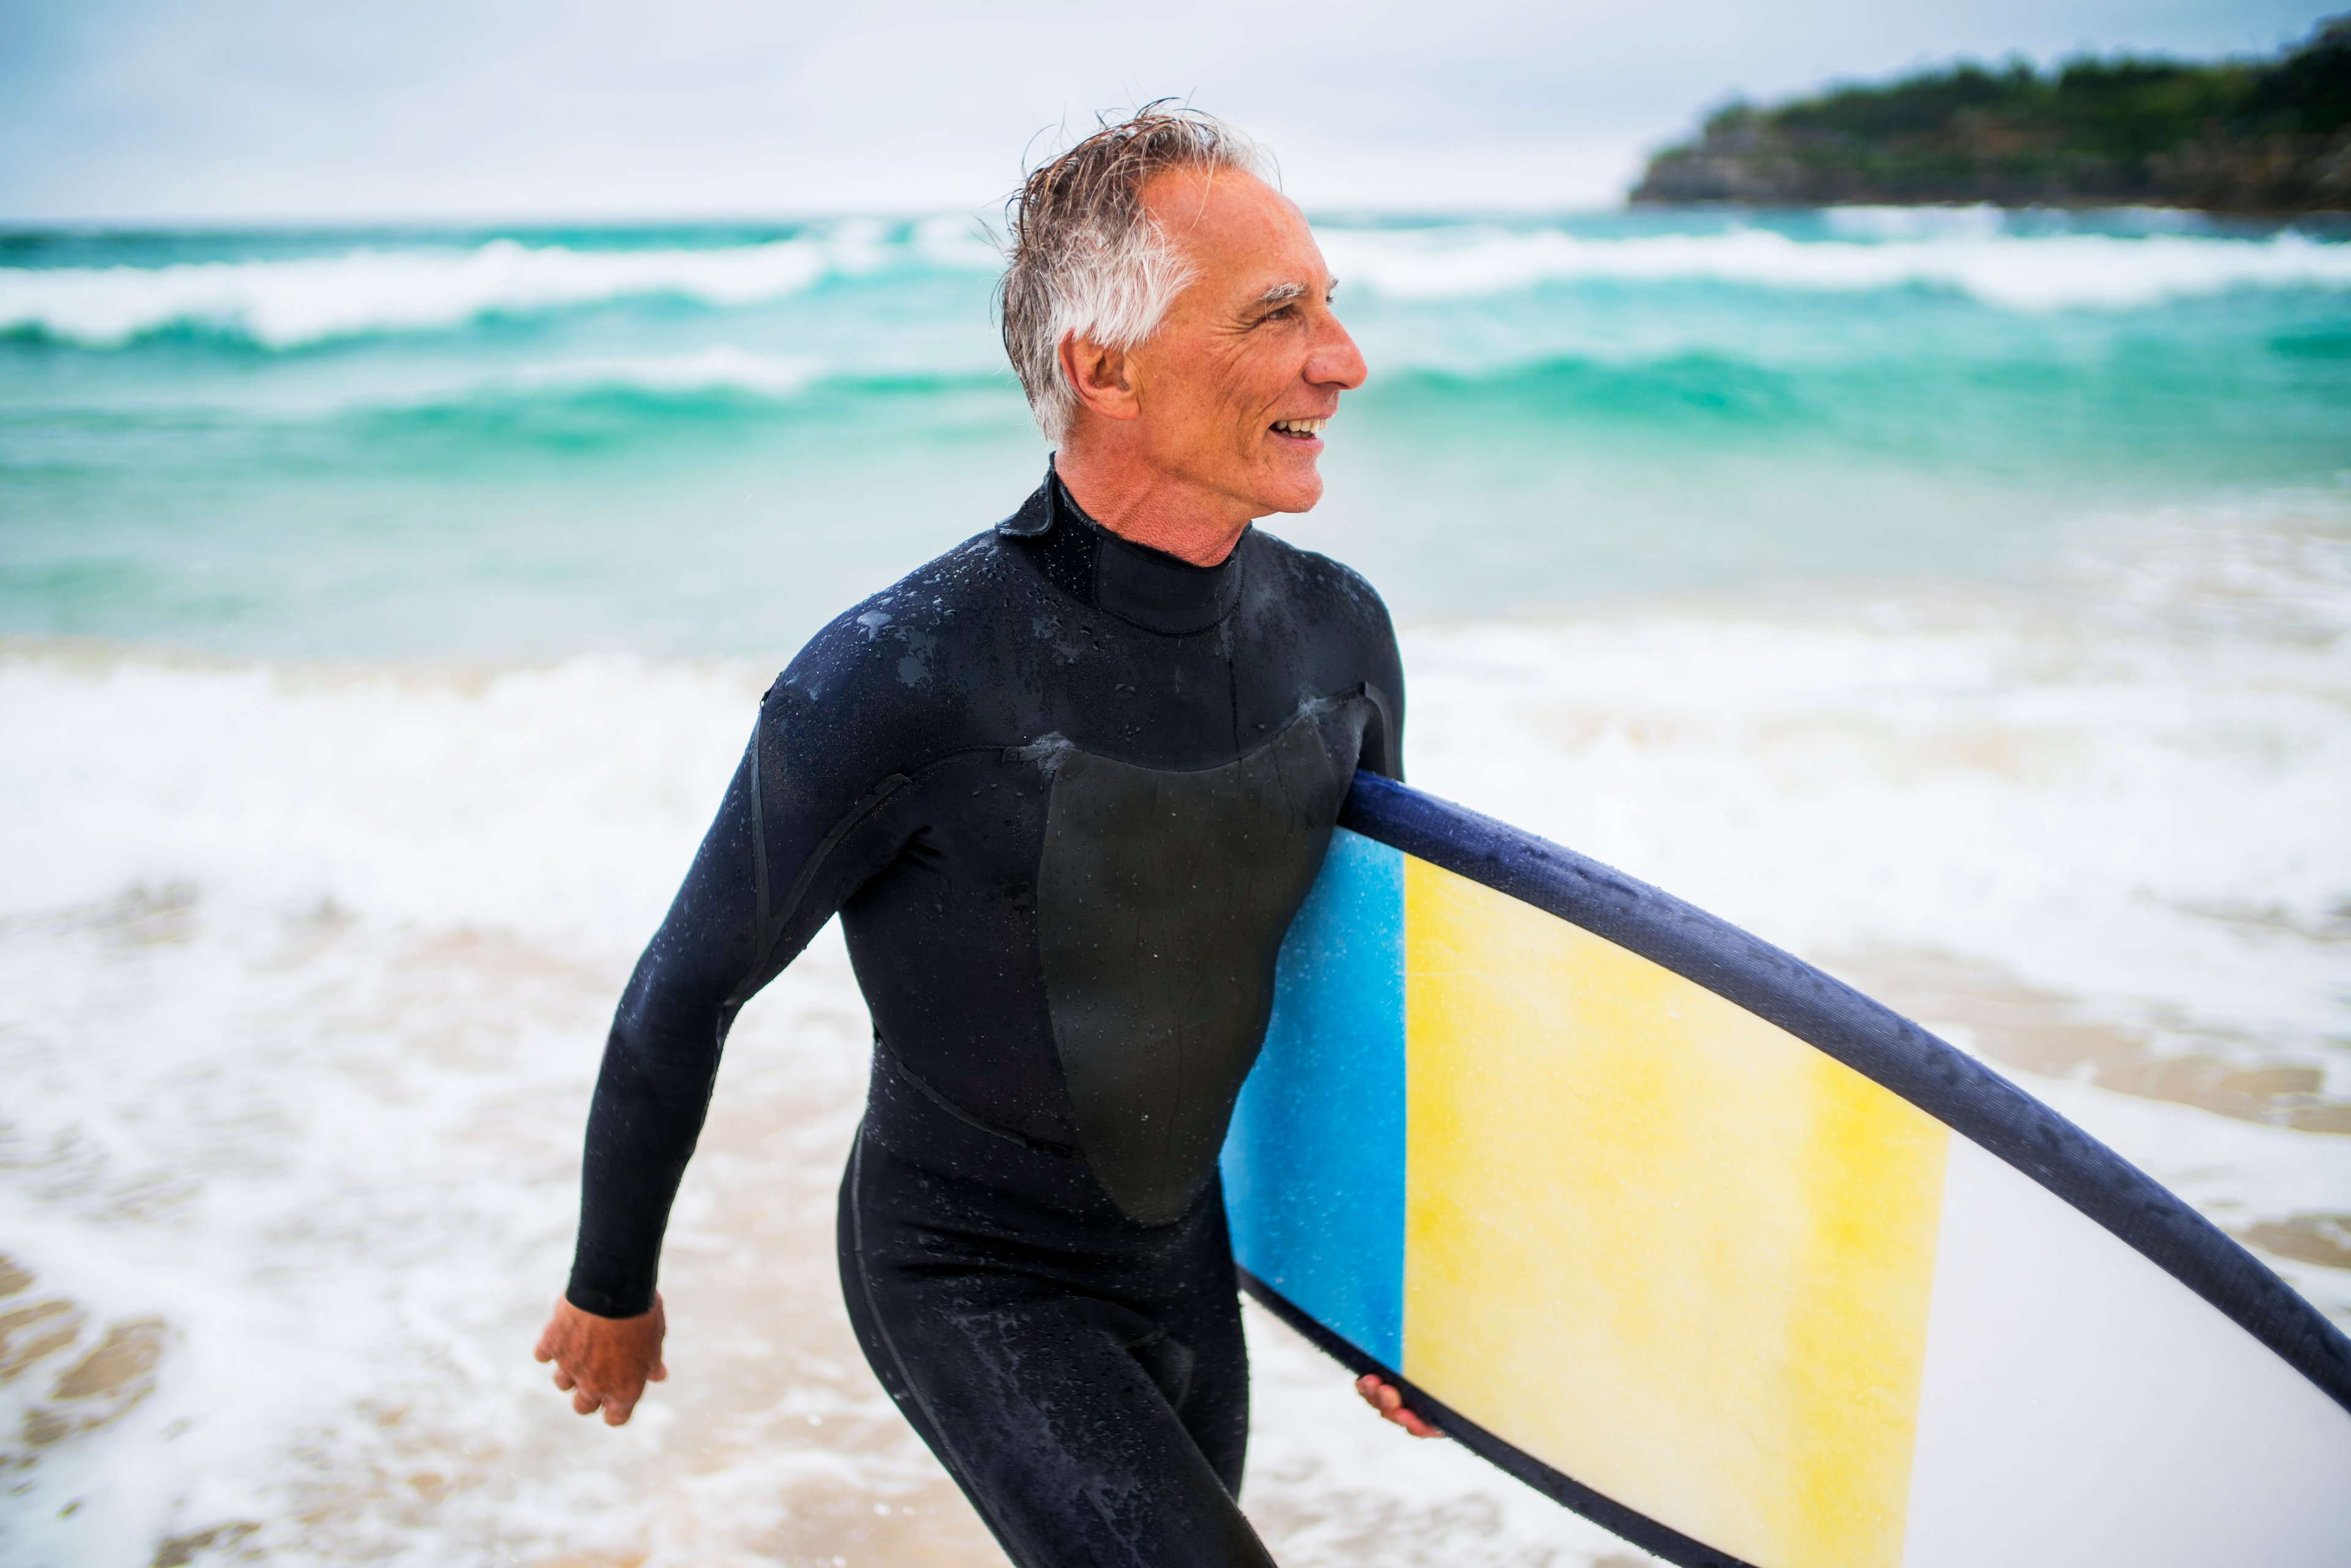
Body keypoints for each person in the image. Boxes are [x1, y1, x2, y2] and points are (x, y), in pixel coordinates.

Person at [533, 107, 1435, 1568]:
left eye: (1331, 303)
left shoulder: (1339, 637)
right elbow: (688, 986)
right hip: (969, 1269)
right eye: (1282, 315)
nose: (1343, 359)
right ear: (1105, 367)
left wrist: (1392, 1306)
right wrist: (612, 1284)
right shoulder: (902, 676)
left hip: (1181, 1252)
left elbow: (1354, 978)